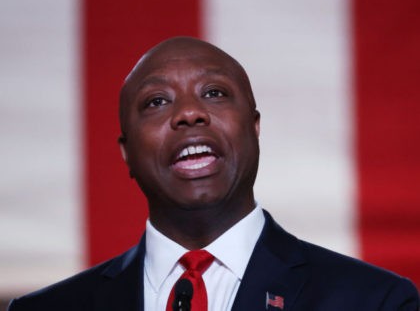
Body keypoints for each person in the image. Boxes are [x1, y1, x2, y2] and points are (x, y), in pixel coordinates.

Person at [8, 37, 419, 311]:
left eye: (214, 93)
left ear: (254, 129)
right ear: (126, 154)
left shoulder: (374, 301)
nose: (189, 113)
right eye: (156, 101)